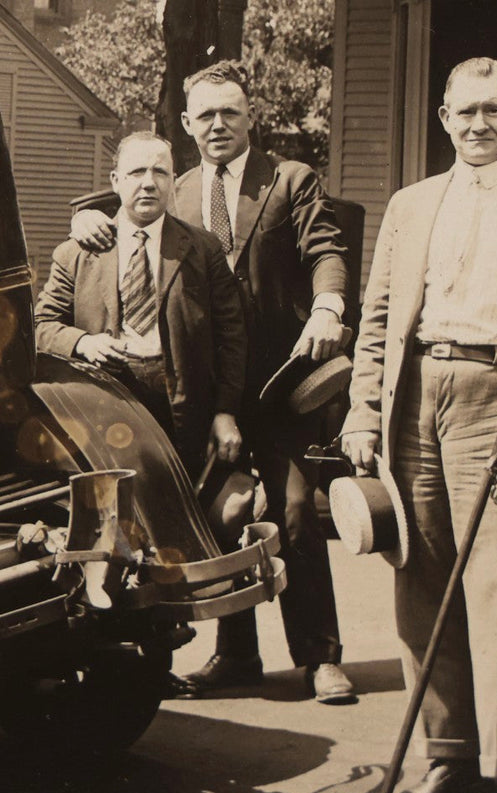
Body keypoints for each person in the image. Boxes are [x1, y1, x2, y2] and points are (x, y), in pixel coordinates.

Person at [340, 57, 497, 793]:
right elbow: (375, 319)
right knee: (419, 577)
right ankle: (449, 755)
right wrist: (362, 413)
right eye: (462, 111)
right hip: (414, 398)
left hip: (496, 397)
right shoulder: (409, 205)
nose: (476, 124)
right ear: (442, 117)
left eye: (490, 110)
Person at [70, 60, 353, 703]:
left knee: (296, 512)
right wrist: (83, 224)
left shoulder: (289, 180)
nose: (217, 124)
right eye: (205, 115)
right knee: (217, 516)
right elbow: (120, 224)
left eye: (230, 112)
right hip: (203, 392)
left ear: (250, 116)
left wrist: (330, 307)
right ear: (187, 124)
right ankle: (236, 654)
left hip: (279, 383)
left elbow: (327, 252)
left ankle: (320, 657)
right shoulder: (177, 187)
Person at [35, 130, 246, 488]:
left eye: (160, 172)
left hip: (183, 408)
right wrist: (84, 342)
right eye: (137, 173)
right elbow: (41, 325)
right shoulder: (78, 252)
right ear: (116, 181)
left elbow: (233, 336)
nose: (149, 183)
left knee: (198, 509)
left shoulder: (202, 249)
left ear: (173, 182)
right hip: (107, 403)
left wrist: (225, 411)